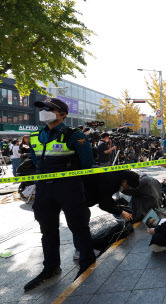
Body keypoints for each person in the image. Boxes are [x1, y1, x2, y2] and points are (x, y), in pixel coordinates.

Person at [25, 98, 95, 291]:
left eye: (49, 109)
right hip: (44, 189)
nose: (44, 111)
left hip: (69, 187)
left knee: (78, 227)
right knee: (47, 230)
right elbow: (36, 160)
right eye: (42, 108)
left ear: (62, 114)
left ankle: (86, 264)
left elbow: (87, 163)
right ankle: (51, 267)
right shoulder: (34, 136)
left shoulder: (74, 135)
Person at [76, 170, 139, 260]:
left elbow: (106, 198)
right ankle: (80, 251)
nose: (126, 188)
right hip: (78, 196)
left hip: (83, 197)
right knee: (81, 223)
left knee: (83, 219)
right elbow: (104, 202)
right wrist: (120, 212)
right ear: (125, 181)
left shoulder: (115, 177)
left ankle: (82, 248)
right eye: (128, 186)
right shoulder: (112, 180)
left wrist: (117, 208)